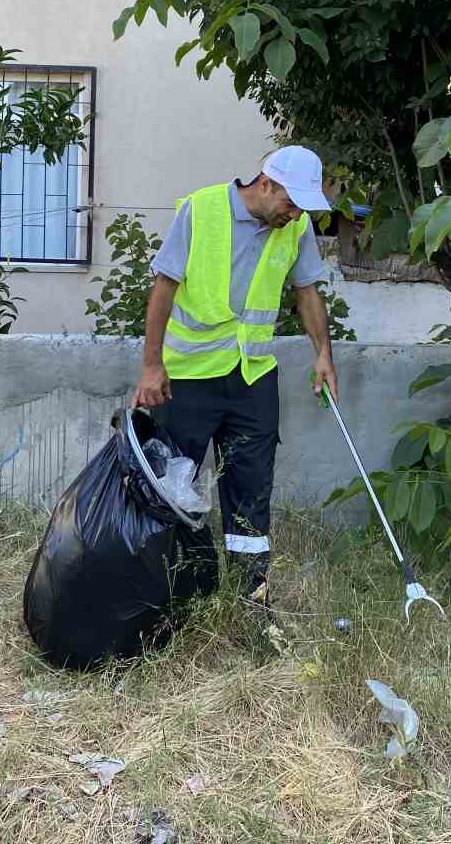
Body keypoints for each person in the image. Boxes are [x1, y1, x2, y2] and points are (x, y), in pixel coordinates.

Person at [133, 145, 339, 614]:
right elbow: (163, 289)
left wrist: (323, 355)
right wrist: (151, 366)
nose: (296, 214)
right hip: (186, 379)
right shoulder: (201, 209)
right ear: (265, 184)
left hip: (252, 377)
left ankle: (251, 600)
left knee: (251, 492)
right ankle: (169, 600)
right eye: (291, 202)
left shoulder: (296, 226)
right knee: (171, 487)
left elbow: (306, 292)